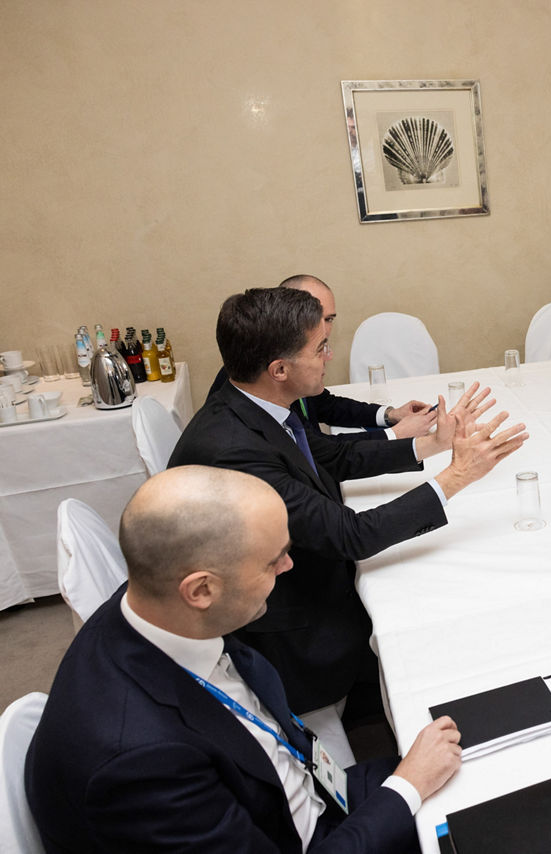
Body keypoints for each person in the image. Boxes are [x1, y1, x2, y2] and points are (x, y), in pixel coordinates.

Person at [25, 465, 461, 852]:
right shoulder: (140, 763)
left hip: (311, 792)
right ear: (201, 590)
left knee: (485, 748)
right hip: (301, 834)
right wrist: (407, 786)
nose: (289, 566)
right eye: (273, 562)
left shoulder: (153, 606)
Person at [169, 287, 526, 727]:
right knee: (450, 620)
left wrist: (432, 443)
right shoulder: (233, 449)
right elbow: (349, 536)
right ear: (279, 369)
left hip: (306, 581)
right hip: (289, 630)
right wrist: (457, 476)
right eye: (320, 348)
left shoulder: (254, 404)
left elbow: (331, 457)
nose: (330, 355)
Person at [207, 274, 436, 441]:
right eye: (317, 319)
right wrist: (396, 435)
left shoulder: (286, 361)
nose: (324, 331)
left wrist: (389, 415)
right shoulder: (256, 382)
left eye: (329, 319)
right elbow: (319, 453)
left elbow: (324, 405)